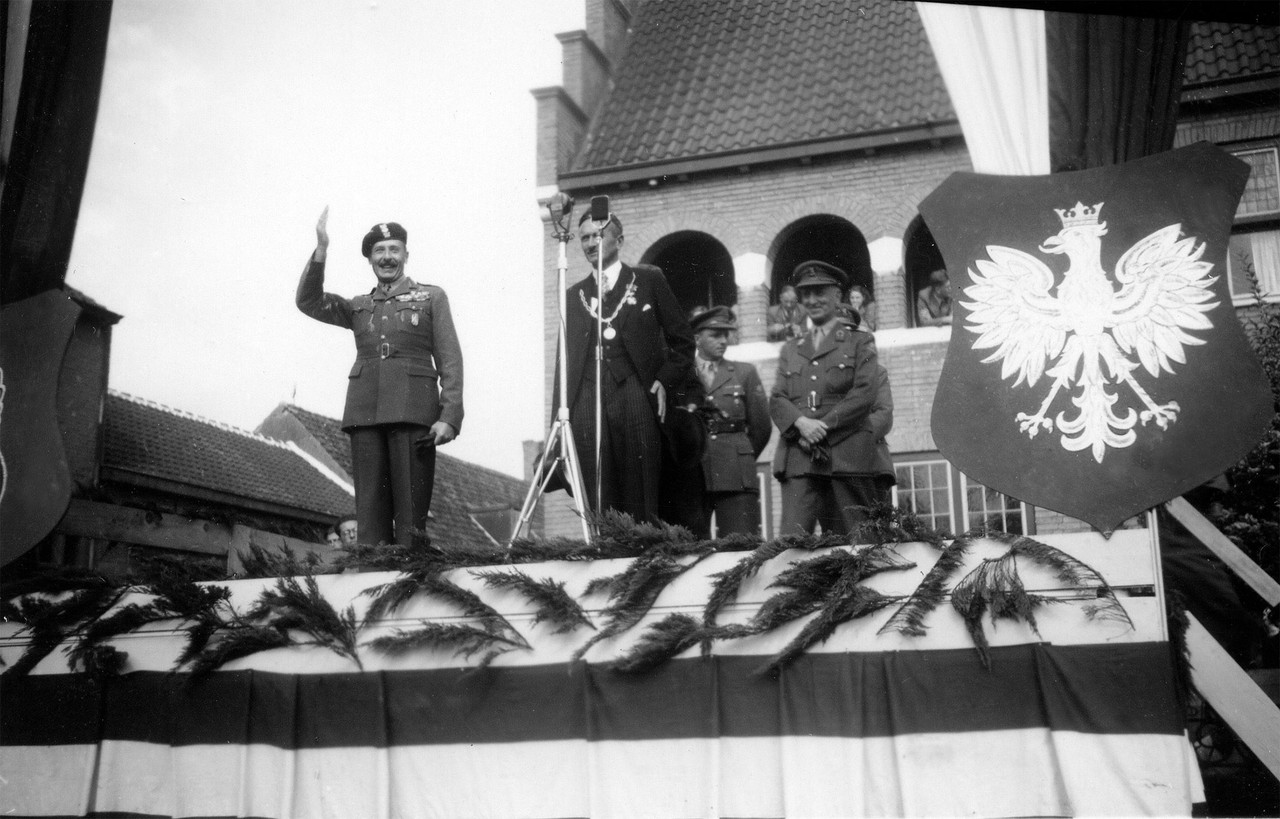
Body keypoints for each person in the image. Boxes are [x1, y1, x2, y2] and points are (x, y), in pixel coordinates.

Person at [296, 208, 463, 548]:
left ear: (406, 255)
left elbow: (450, 359)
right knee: (370, 517)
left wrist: (449, 416)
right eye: (380, 251)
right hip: (365, 414)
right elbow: (308, 301)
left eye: (394, 250)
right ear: (370, 259)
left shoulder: (432, 298)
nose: (387, 257)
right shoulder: (358, 306)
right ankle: (373, 576)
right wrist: (321, 250)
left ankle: (410, 576)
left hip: (414, 412)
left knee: (411, 517)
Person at [555, 208, 695, 524]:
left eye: (598, 235)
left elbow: (684, 342)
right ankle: (602, 550)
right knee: (597, 495)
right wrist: (558, 422)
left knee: (641, 493)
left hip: (635, 393)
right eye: (584, 238)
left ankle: (642, 550)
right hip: (586, 400)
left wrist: (664, 380)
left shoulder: (648, 281)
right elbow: (564, 366)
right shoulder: (573, 295)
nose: (590, 243)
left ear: (618, 240)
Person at [770, 260, 882, 536]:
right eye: (806, 294)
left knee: (855, 543)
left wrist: (821, 427)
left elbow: (864, 393)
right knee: (791, 544)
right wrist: (801, 424)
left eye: (819, 292)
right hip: (799, 457)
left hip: (846, 455)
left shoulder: (860, 342)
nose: (812, 300)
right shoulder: (791, 348)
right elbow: (777, 398)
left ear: (837, 295)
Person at [691, 306, 771, 537]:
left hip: (736, 474)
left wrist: (740, 456)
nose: (723, 341)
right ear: (697, 339)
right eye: (715, 335)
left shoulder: (744, 373)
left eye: (726, 335)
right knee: (689, 547)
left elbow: (761, 427)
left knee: (740, 545)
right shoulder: (682, 374)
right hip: (693, 475)